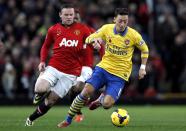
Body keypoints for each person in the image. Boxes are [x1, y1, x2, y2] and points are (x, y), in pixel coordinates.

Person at [57, 7, 149, 128]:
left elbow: (145, 49)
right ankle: (68, 120)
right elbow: (89, 38)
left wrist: (142, 67)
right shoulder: (106, 28)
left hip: (120, 75)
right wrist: (94, 41)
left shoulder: (133, 35)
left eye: (125, 21)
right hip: (103, 69)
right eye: (120, 21)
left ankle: (100, 100)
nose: (123, 24)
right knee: (85, 92)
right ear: (114, 19)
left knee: (107, 104)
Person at [25, 4, 92, 126]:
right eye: (66, 15)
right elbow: (45, 46)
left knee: (51, 101)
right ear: (60, 15)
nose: (69, 17)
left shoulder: (83, 29)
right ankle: (40, 93)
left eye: (71, 15)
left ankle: (31, 118)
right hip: (54, 68)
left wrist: (96, 44)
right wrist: (42, 61)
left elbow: (92, 40)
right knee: (39, 88)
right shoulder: (53, 29)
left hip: (70, 74)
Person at [69, 9, 105, 122]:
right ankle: (78, 112)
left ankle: (84, 99)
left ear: (80, 19)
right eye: (72, 18)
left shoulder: (89, 31)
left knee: (77, 86)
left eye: (76, 18)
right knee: (72, 89)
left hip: (86, 66)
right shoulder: (66, 33)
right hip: (71, 66)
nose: (74, 20)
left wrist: (103, 60)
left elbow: (101, 46)